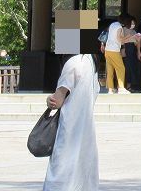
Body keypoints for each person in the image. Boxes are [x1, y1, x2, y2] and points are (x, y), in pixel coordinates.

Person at [44, 52, 99, 190]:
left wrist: (49, 99)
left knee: (61, 174)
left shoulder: (73, 63)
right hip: (86, 131)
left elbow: (57, 101)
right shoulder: (91, 63)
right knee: (82, 177)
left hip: (69, 129)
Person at [103, 12, 137, 94]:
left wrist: (127, 38)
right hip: (114, 50)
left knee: (110, 69)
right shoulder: (119, 28)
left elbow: (115, 38)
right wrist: (130, 37)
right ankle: (121, 88)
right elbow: (120, 40)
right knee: (121, 68)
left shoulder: (113, 24)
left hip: (107, 50)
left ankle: (110, 89)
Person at [124, 16, 141, 92]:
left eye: (134, 23)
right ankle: (125, 86)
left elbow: (135, 43)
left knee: (132, 67)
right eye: (131, 23)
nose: (133, 25)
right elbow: (121, 40)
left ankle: (130, 85)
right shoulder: (123, 30)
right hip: (125, 48)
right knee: (126, 67)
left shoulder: (134, 31)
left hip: (132, 49)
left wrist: (138, 39)